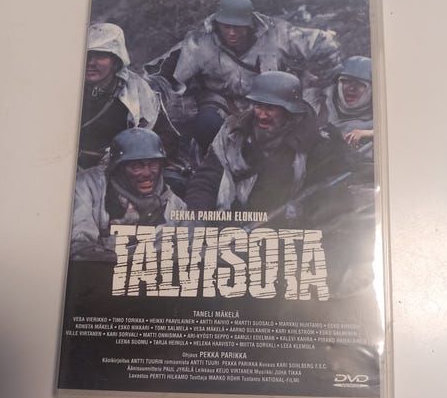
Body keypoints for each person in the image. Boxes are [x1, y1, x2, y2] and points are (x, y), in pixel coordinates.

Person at [144, 0, 341, 158]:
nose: (231, 32)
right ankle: (213, 163)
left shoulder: (278, 34)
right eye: (226, 26)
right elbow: (158, 74)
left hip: (274, 102)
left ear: (250, 23)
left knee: (299, 135)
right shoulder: (199, 43)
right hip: (225, 104)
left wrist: (326, 79)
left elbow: (323, 43)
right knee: (206, 125)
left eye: (238, 26)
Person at [185, 71, 354, 227]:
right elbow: (207, 178)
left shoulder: (317, 140)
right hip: (234, 220)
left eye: (271, 108)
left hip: (287, 227)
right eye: (258, 106)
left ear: (289, 110)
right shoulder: (234, 132)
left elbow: (331, 193)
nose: (262, 115)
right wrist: (199, 218)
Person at [70, 128, 186, 262]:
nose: (147, 173)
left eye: (153, 164)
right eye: (137, 166)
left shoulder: (176, 206)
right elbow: (79, 247)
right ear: (118, 167)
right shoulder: (88, 186)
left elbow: (189, 250)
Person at [78, 22, 178, 169]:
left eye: (100, 56)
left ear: (116, 61)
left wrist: (130, 155)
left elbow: (166, 137)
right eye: (87, 55)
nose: (91, 63)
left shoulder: (137, 91)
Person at [321, 56, 373, 159]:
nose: (352, 88)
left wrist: (369, 133)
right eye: (346, 81)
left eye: (360, 84)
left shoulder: (380, 118)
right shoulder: (318, 103)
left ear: (371, 88)